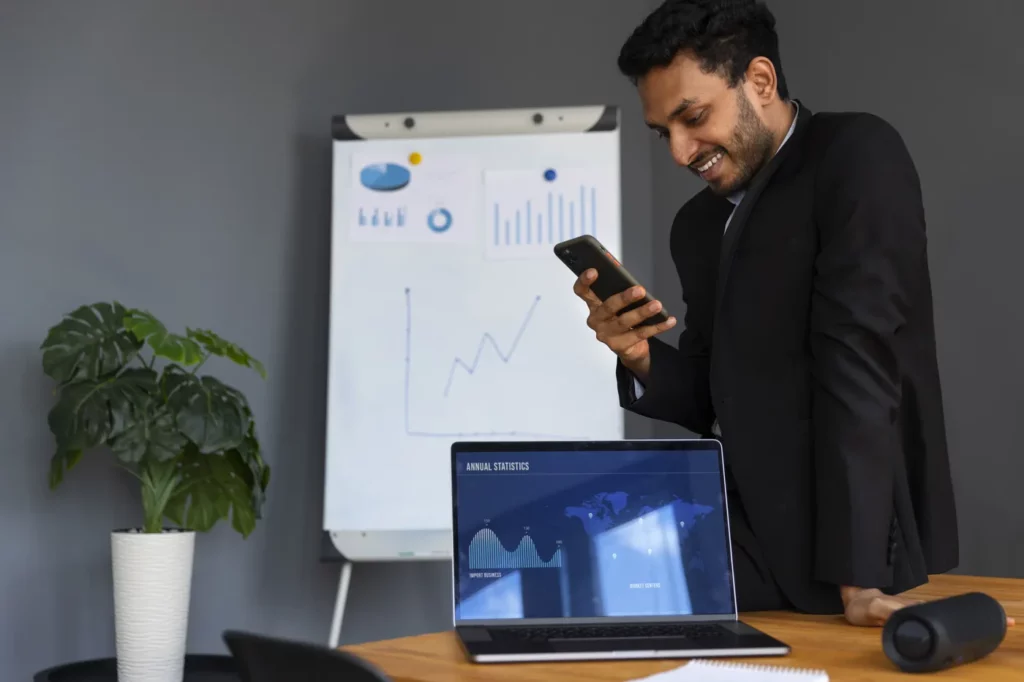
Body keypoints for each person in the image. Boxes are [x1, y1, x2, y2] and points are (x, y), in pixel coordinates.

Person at [573, 0, 972, 627]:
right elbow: (713, 396)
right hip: (742, 544)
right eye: (663, 132)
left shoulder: (855, 155)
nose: (679, 152)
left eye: (693, 117)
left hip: (848, 550)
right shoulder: (697, 226)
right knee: (565, 583)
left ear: (759, 81)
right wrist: (640, 355)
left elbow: (859, 366)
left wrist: (859, 579)